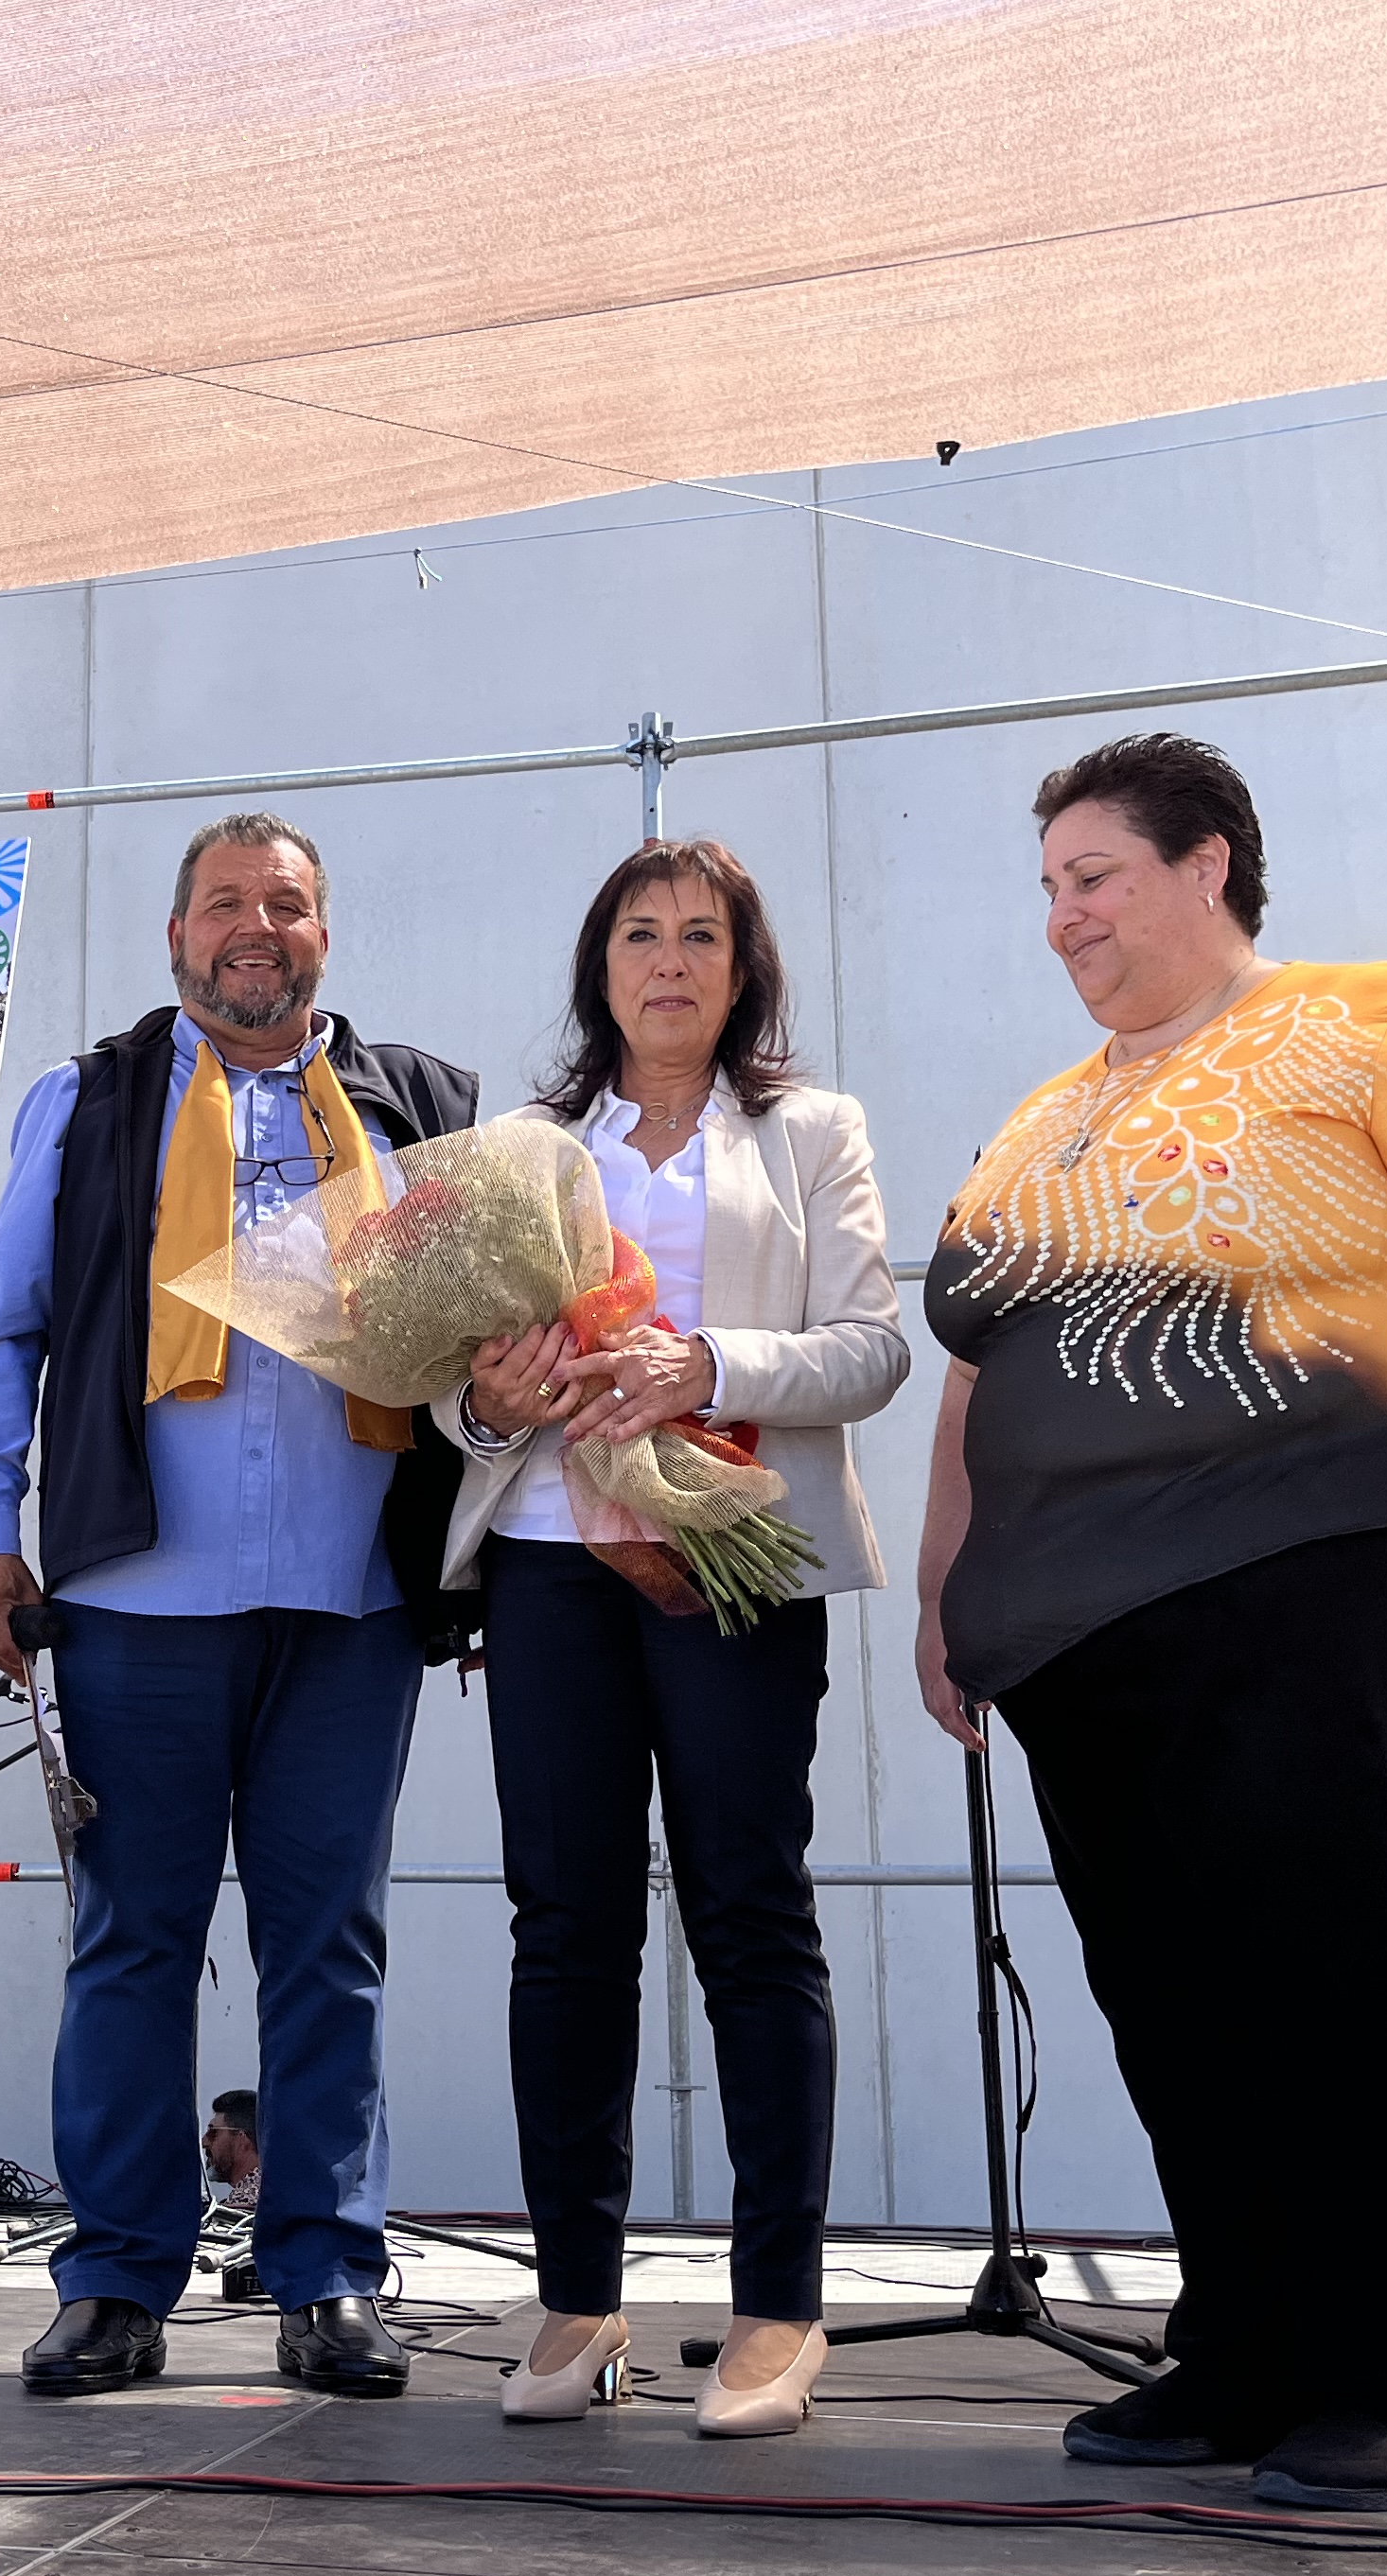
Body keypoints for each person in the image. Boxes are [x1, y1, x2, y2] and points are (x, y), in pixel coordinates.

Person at [914, 732, 1387, 2513]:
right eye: (1051, 885)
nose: (1061, 913)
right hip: (1078, 1637)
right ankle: (1241, 2348)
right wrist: (944, 1598)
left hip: (1329, 1568)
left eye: (1095, 874)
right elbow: (969, 1380)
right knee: (1179, 2003)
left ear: (1208, 861)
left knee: (1364, 1977)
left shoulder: (1370, 1016)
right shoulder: (1037, 1117)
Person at [0, 812, 478, 2400]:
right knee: (131, 1944)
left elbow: (480, 1347)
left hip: (352, 1595)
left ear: (326, 931)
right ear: (176, 936)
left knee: (331, 1945)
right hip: (133, 1597)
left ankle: (325, 2272)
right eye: (227, 903)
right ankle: (114, 2279)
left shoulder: (421, 1107)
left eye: (288, 903)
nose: (258, 926)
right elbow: (0, 1338)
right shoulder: (85, 1099)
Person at [435, 837, 909, 2437]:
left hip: (728, 1554)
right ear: (598, 965)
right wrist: (481, 1395)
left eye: (701, 936)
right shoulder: (519, 1141)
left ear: (740, 967)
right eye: (640, 934)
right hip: (549, 1564)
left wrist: (698, 1361)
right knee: (564, 1927)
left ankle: (777, 2309)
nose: (669, 961)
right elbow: (452, 1379)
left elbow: (866, 1351)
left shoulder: (810, 1132)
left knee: (749, 1914)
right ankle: (578, 2301)